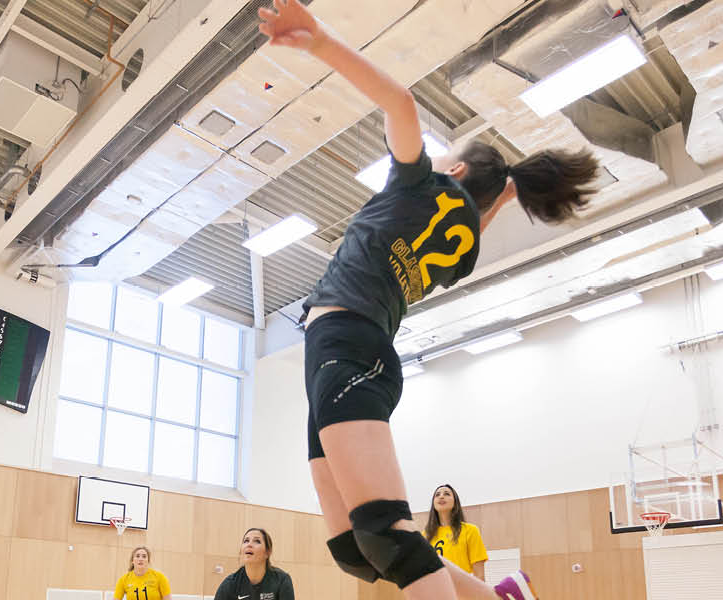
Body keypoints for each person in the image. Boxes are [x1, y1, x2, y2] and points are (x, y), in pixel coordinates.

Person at [258, 1, 601, 599]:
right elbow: (476, 215)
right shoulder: (463, 242)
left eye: (445, 157)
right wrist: (507, 188)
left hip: (349, 348)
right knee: (356, 553)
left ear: (457, 168)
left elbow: (402, 104)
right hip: (343, 355)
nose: (432, 157)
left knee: (387, 535)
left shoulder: (423, 184)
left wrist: (319, 42)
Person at [424, 485, 489, 580]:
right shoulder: (425, 536)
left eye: (446, 494)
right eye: (437, 495)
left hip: (463, 591)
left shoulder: (470, 531)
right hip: (435, 592)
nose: (441, 496)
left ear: (455, 503)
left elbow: (479, 575)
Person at [212, 528, 295, 600]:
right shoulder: (230, 584)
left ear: (267, 552)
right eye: (246, 541)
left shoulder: (281, 580)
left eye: (257, 541)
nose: (249, 544)